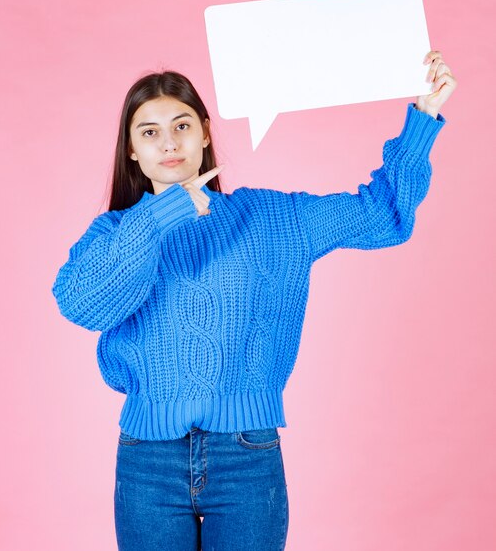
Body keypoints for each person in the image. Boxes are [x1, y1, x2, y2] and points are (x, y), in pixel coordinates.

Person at [51, 50, 457, 550]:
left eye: (181, 126)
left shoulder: (268, 218)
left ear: (204, 131)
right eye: (149, 132)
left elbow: (384, 215)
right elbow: (80, 304)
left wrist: (423, 116)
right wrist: (165, 214)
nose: (169, 143)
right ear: (131, 150)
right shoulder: (115, 233)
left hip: (246, 456)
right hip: (147, 461)